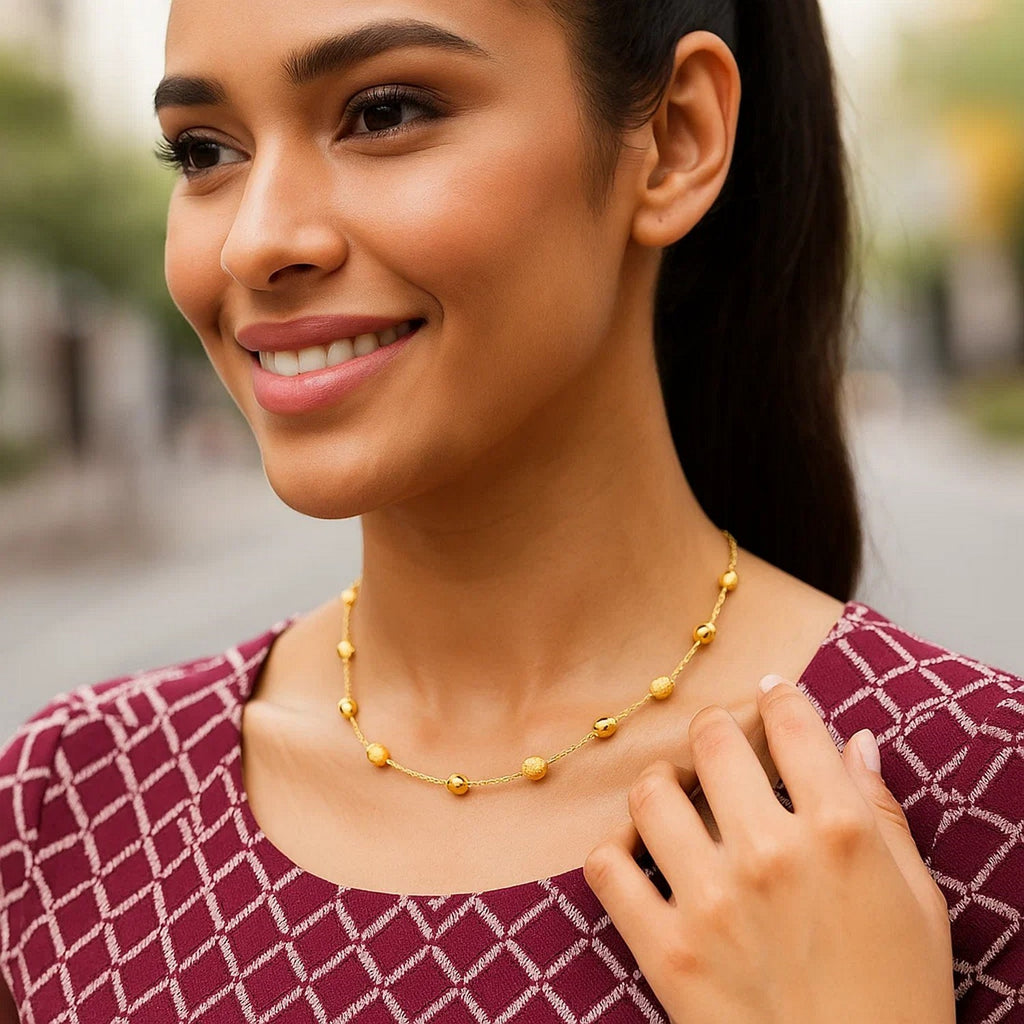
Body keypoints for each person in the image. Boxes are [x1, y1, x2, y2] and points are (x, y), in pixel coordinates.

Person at [0, 0, 1021, 1020]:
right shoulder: (65, 813)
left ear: (673, 140)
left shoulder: (979, 799)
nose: (257, 242)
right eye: (205, 150)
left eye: (385, 111)